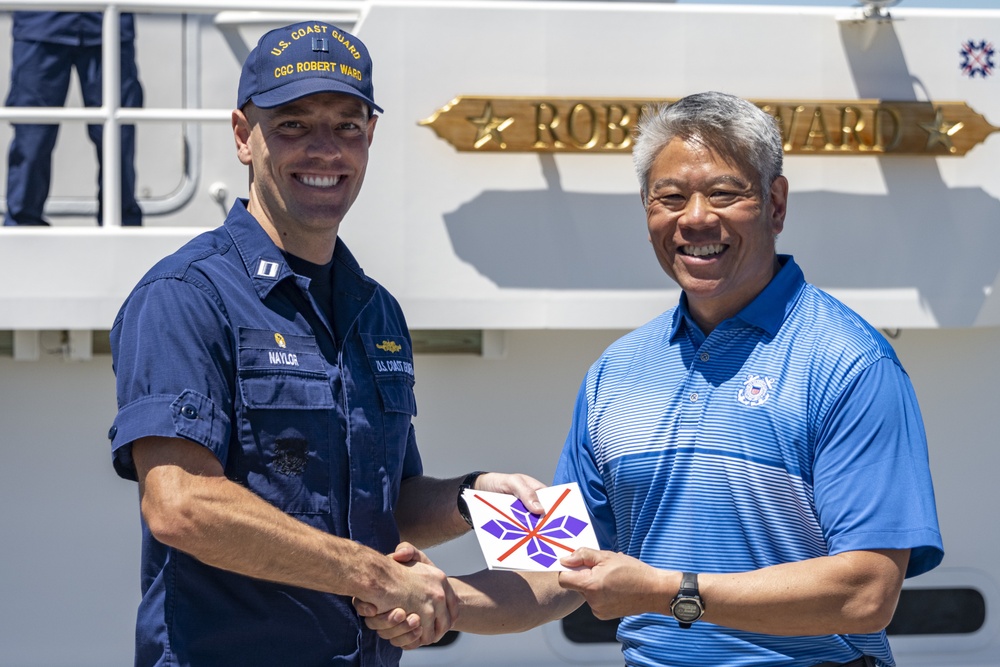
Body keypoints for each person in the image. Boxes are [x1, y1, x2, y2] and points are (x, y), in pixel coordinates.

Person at [358, 91, 944, 667]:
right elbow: (558, 568)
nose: (695, 218)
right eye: (670, 197)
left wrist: (671, 592)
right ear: (647, 211)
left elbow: (868, 592)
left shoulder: (849, 360)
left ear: (776, 204)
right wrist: (445, 597)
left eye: (723, 193)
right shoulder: (616, 370)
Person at [107, 20, 543, 666]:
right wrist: (375, 575)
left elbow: (382, 502)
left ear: (369, 137)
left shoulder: (375, 309)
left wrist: (472, 497)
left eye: (346, 125)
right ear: (242, 136)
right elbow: (181, 505)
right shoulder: (185, 295)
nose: (325, 150)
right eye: (293, 125)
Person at [4, 11, 143, 226]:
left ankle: (122, 228)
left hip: (107, 23)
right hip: (41, 22)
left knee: (117, 141)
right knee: (32, 141)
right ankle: (23, 232)